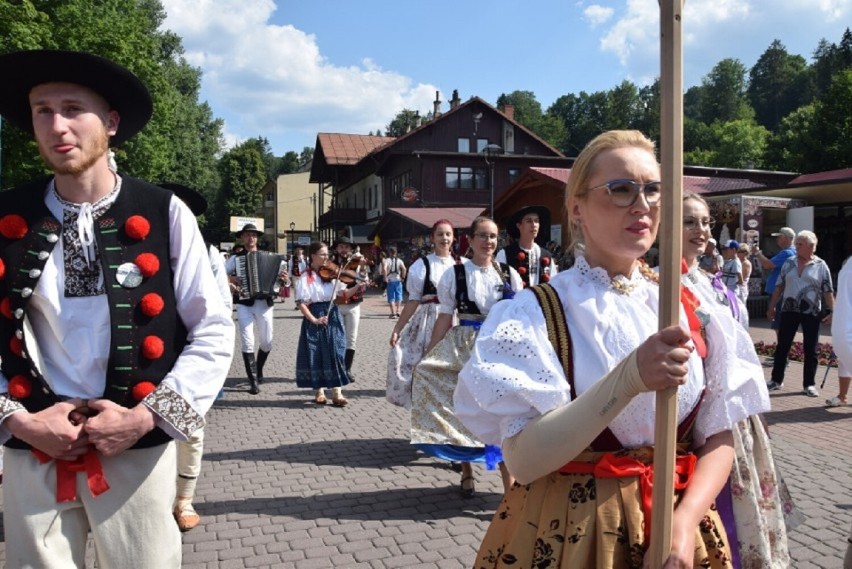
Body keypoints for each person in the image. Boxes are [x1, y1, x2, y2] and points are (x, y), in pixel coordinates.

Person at [456, 130, 761, 567]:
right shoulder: (537, 312)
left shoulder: (691, 306)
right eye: (621, 189)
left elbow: (719, 432)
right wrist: (629, 377)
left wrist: (683, 523)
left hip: (680, 531)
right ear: (577, 208)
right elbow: (524, 460)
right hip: (572, 533)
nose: (643, 205)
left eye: (654, 190)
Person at [0, 49, 234, 566]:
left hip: (134, 444)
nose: (57, 125)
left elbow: (213, 329)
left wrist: (146, 418)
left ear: (110, 122)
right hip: (34, 446)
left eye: (72, 108)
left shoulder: (164, 212)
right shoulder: (5, 216)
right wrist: (18, 421)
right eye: (42, 110)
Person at [681, 194, 794, 567]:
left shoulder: (712, 283)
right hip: (698, 422)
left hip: (735, 420)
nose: (700, 230)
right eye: (689, 222)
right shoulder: (661, 286)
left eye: (705, 223)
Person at [410, 216, 521, 499]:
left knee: (502, 414)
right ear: (469, 240)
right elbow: (445, 316)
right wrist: (431, 354)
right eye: (483, 236)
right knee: (463, 410)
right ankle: (467, 472)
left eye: (494, 236)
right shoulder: (455, 274)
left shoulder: (509, 274)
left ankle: (509, 487)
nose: (489, 242)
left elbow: (520, 317)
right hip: (466, 346)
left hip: (499, 349)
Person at [158, 182, 233, 533]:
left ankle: (183, 499)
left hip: (188, 350)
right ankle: (151, 498)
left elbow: (220, 306)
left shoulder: (208, 250)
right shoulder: (133, 243)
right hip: (143, 354)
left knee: (190, 427)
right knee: (143, 432)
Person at [387, 219, 464, 408]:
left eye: (448, 234)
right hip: (428, 321)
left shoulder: (464, 264)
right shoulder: (422, 265)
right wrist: (398, 328)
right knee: (424, 369)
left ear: (453, 238)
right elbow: (413, 301)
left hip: (456, 321)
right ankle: (425, 419)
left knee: (455, 373)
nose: (444, 238)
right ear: (432, 238)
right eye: (440, 234)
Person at [766, 230, 835, 397]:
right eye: (796, 244)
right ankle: (776, 380)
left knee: (811, 348)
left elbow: (827, 291)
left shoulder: (820, 265)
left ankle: (809, 384)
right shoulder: (789, 262)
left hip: (811, 311)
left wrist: (833, 311)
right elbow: (779, 286)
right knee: (783, 344)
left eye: (800, 244)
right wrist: (772, 306)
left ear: (811, 246)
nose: (796, 247)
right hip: (789, 309)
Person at [295, 241, 359, 406]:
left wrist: (358, 286)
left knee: (336, 351)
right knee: (316, 353)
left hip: (333, 315)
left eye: (327, 254)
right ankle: (319, 391)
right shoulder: (305, 276)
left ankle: (337, 392)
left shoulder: (332, 275)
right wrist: (313, 319)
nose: (326, 258)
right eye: (322, 254)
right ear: (313, 256)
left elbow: (342, 295)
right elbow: (301, 302)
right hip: (315, 315)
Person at [225, 223, 277, 395]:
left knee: (267, 341)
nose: (250, 238)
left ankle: (259, 368)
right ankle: (253, 381)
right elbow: (221, 275)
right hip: (244, 303)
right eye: (247, 235)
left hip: (264, 303)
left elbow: (279, 282)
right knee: (248, 341)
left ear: (257, 238)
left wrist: (283, 280)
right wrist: (232, 279)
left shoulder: (269, 256)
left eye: (253, 235)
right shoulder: (235, 258)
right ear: (242, 237)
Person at [331, 236, 369, 378]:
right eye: (341, 246)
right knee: (336, 337)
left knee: (351, 338)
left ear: (351, 249)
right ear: (336, 249)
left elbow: (364, 279)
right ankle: (336, 367)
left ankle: (347, 369)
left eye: (346, 247)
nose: (344, 249)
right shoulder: (330, 264)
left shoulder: (357, 263)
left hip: (353, 304)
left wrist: (364, 267)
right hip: (336, 305)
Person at [495, 205, 557, 288]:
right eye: (529, 221)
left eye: (536, 221)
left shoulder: (546, 255)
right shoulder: (505, 254)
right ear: (519, 225)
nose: (534, 225)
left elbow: (554, 284)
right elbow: (498, 284)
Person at [752, 227, 796, 342]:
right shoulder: (793, 252)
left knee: (779, 323)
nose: (777, 240)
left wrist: (757, 253)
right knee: (781, 323)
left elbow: (767, 264)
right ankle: (782, 352)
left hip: (779, 293)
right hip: (784, 292)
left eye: (779, 237)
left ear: (786, 238)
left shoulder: (787, 253)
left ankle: (782, 353)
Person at [828, 255, 851, 408]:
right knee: (843, 356)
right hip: (844, 316)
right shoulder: (848, 261)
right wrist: (836, 312)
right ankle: (842, 396)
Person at [382, 246, 406, 318]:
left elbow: (384, 269)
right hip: (398, 281)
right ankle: (398, 311)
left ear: (389, 252)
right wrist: (403, 278)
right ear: (396, 252)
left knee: (391, 297)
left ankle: (393, 313)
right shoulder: (399, 260)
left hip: (390, 281)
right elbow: (404, 269)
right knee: (399, 296)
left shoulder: (387, 260)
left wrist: (385, 277)